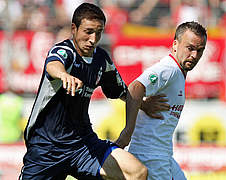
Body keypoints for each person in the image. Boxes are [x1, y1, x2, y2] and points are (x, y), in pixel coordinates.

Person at [19, 3, 169, 179]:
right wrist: (64, 76)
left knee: (136, 172)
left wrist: (143, 105)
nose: (93, 38)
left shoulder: (101, 59)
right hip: (46, 149)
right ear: (73, 29)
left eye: (99, 32)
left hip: (83, 146)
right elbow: (53, 64)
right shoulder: (64, 51)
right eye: (88, 31)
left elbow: (121, 91)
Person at [127, 21, 207, 179]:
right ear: (175, 44)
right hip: (150, 155)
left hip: (163, 154)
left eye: (200, 50)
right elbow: (134, 88)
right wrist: (126, 133)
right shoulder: (169, 69)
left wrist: (143, 105)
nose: (195, 55)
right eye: (190, 48)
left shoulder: (178, 71)